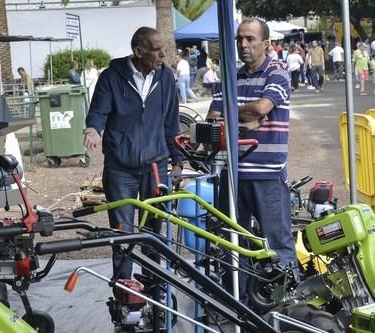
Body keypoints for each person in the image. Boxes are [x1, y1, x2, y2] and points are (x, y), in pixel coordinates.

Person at [207, 17, 298, 302]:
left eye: (250, 39)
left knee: (278, 244)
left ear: (266, 43)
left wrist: (233, 114)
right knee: (232, 243)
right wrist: (247, 118)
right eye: (239, 39)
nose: (243, 45)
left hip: (267, 174)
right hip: (233, 175)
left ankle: (285, 306)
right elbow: (211, 120)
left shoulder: (278, 72)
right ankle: (240, 306)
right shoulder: (231, 76)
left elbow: (262, 106)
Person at [83, 26, 183, 280]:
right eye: (156, 49)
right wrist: (93, 130)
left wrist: (177, 162)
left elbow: (172, 124)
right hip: (120, 170)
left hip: (155, 166)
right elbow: (98, 112)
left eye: (163, 49)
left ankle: (153, 289)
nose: (162, 55)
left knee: (153, 234)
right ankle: (124, 293)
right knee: (122, 233)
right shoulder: (111, 77)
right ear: (139, 51)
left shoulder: (166, 79)